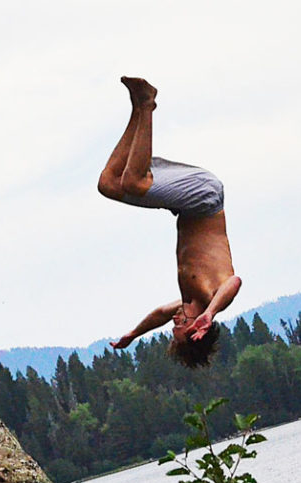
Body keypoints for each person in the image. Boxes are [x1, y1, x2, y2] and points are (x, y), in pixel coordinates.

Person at [98, 77, 241, 368]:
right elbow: (235, 283)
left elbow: (161, 313)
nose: (174, 322)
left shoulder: (185, 300)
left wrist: (133, 334)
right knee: (135, 183)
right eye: (178, 329)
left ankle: (138, 108)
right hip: (204, 199)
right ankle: (148, 104)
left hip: (187, 205)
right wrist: (210, 313)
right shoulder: (211, 294)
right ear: (195, 329)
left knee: (109, 184)